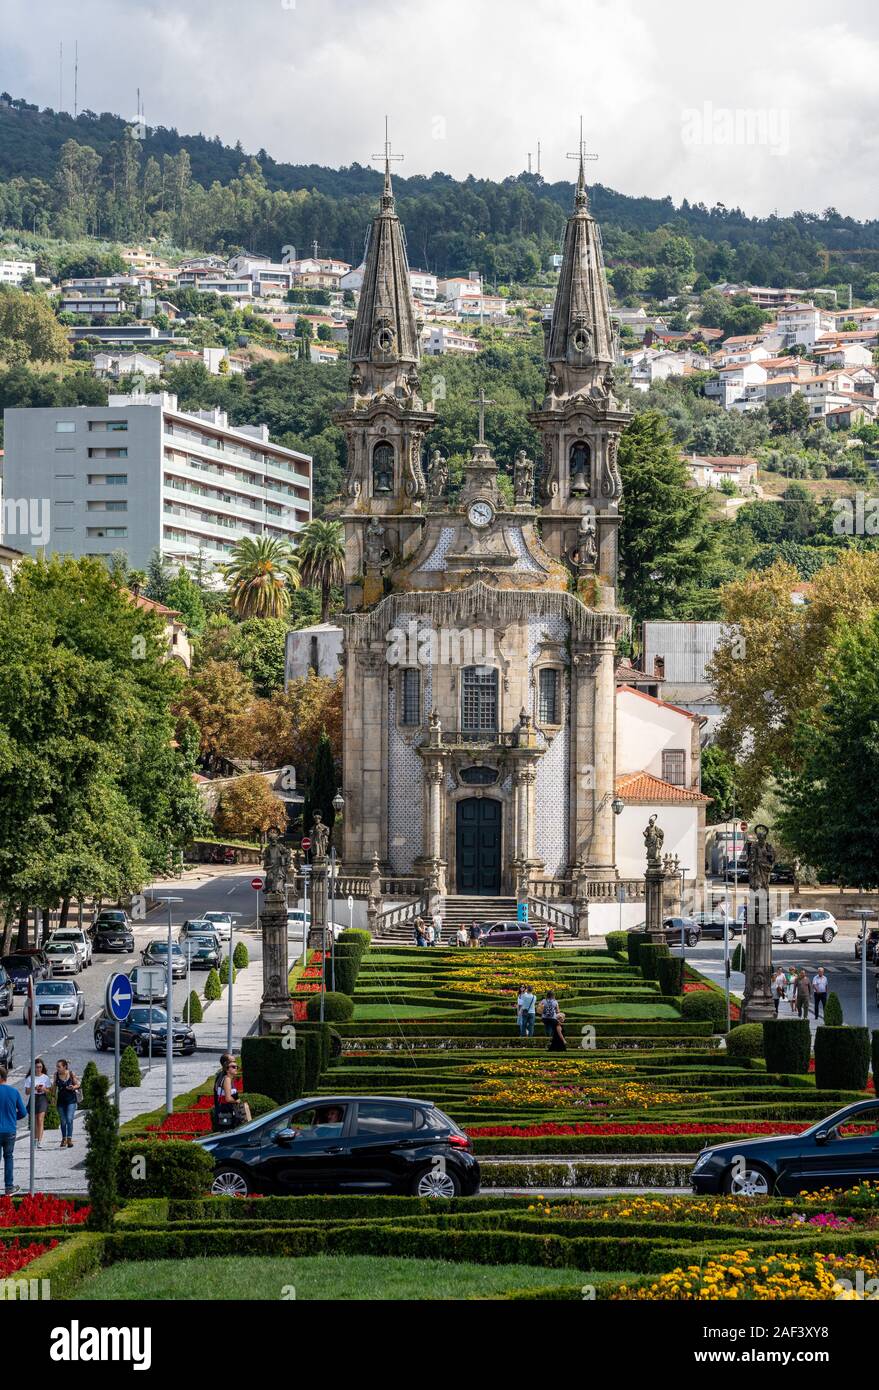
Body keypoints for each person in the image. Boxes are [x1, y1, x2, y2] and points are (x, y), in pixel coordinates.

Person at [0, 1065, 26, 1196]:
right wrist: (12, 1118)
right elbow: (23, 1112)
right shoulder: (14, 1092)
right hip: (10, 1130)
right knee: (8, 1157)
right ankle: (9, 1187)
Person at [213, 1056, 251, 1129]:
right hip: (227, 1112)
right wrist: (237, 1100)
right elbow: (228, 1098)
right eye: (233, 1066)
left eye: (236, 1066)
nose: (236, 1068)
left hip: (226, 1111)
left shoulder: (227, 1078)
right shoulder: (227, 1079)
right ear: (227, 1069)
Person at [53, 1059, 80, 1150]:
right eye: (57, 1066)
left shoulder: (71, 1074)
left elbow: (78, 1085)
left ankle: (69, 1139)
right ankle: (63, 1138)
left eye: (59, 1067)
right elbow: (54, 1087)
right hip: (60, 1101)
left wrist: (73, 1087)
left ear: (64, 1067)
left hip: (71, 1100)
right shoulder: (56, 1075)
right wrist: (52, 1096)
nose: (57, 1068)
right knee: (63, 1121)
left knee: (69, 1119)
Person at [24, 1057, 51, 1148]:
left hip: (42, 1098)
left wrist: (44, 1089)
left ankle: (39, 1141)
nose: (38, 1069)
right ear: (33, 1067)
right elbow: (27, 1092)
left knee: (40, 1119)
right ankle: (35, 1139)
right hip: (33, 1097)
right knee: (35, 1120)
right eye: (37, 1067)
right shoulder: (29, 1078)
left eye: (40, 1067)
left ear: (42, 1067)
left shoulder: (45, 1077)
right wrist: (34, 1088)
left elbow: (50, 1091)